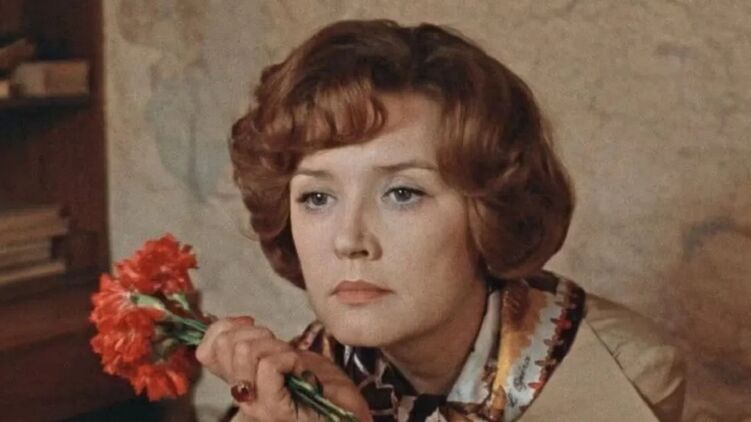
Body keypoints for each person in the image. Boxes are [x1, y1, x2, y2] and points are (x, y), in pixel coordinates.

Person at [196, 19, 686, 421]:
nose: (349, 239)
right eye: (317, 197)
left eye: (403, 193)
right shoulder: (283, 393)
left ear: (490, 210)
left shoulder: (627, 373)